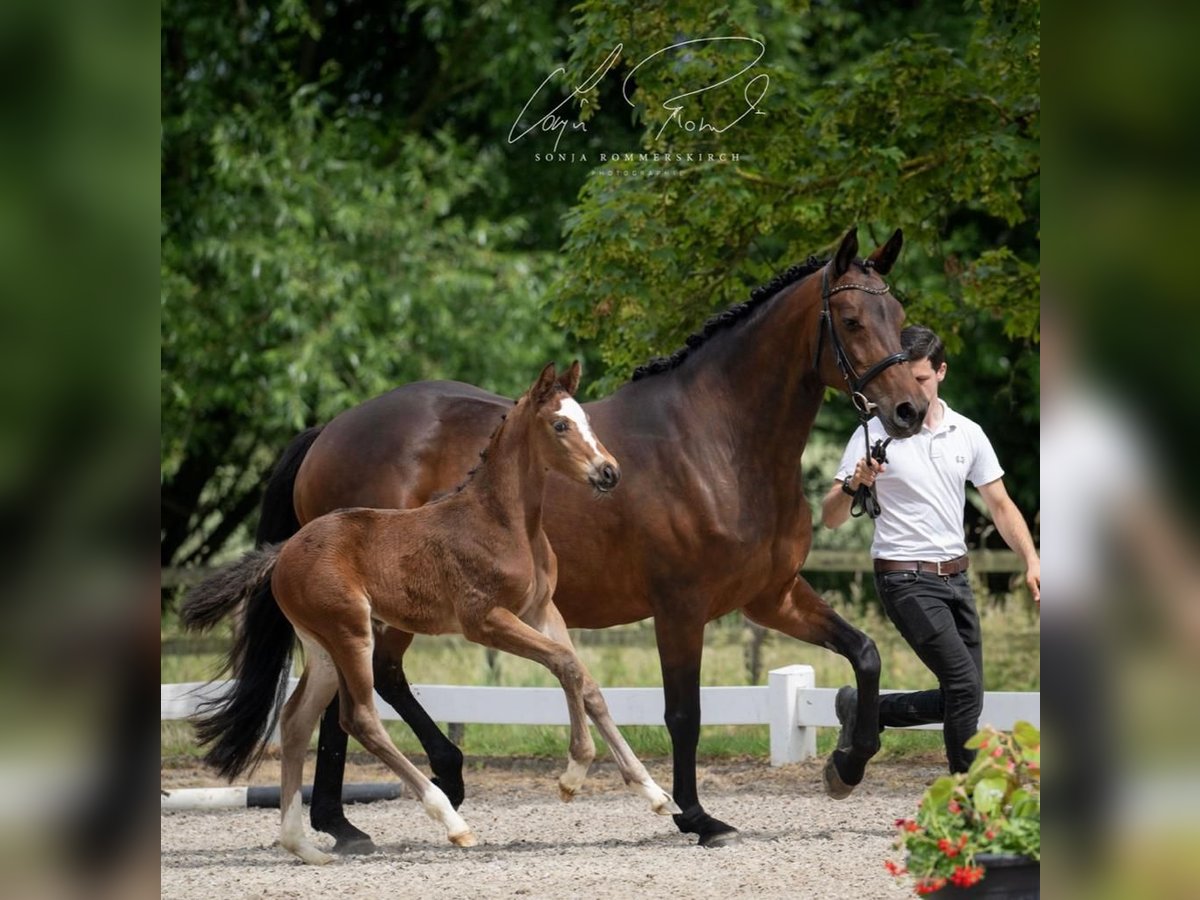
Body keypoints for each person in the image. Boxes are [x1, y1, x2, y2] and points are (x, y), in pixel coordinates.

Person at [820, 325, 1040, 773]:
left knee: (965, 695)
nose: (912, 390)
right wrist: (853, 483)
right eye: (906, 377)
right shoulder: (874, 432)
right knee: (962, 687)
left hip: (957, 579)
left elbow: (999, 504)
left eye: (921, 379)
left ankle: (868, 713)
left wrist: (1032, 559)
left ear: (941, 372)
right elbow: (830, 515)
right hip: (903, 577)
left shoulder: (967, 432)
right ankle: (968, 801)